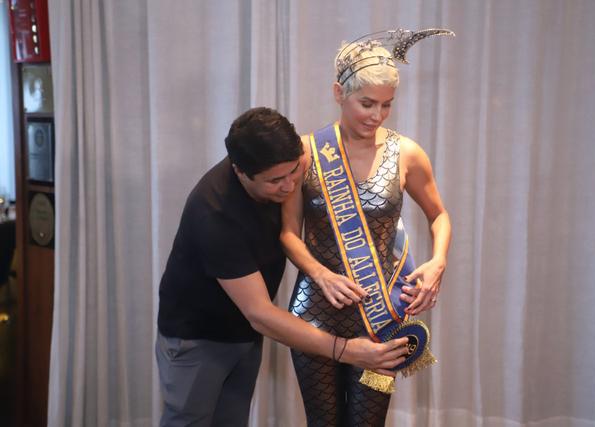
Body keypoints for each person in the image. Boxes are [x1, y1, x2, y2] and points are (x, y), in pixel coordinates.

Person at [155, 107, 409, 427]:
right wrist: (346, 350)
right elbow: (260, 313)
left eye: (294, 171)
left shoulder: (285, 167)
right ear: (240, 171)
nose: (289, 186)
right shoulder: (215, 213)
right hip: (197, 338)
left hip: (244, 334)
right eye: (276, 180)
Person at [280, 30, 453, 426]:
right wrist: (321, 274)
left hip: (381, 316)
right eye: (367, 103)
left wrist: (438, 261)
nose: (377, 115)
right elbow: (288, 233)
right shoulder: (305, 152)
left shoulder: (407, 153)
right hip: (315, 312)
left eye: (386, 105)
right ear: (339, 93)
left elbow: (439, 215)